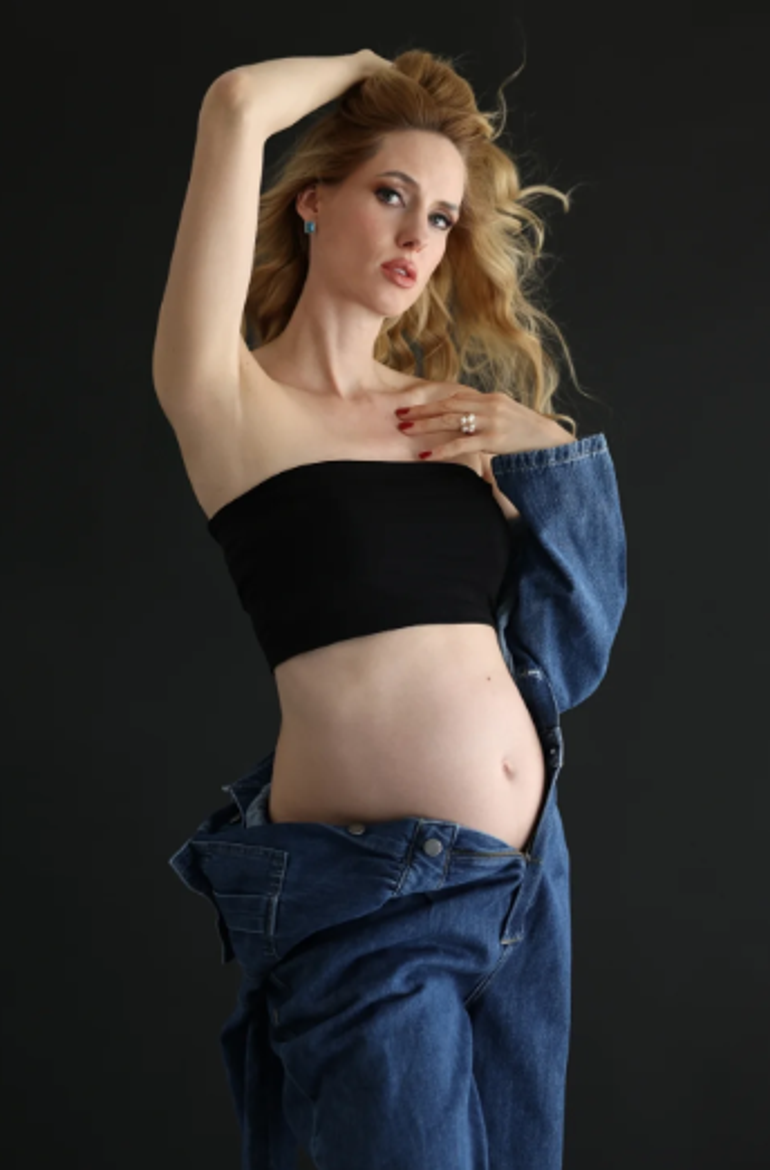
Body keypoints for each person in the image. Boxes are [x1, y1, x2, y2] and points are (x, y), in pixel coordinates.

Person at [155, 48, 627, 1170]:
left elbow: (572, 649)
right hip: (369, 895)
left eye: (442, 217)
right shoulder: (229, 399)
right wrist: (369, 69)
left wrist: (549, 453)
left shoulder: (451, 420)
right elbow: (234, 105)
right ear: (314, 201)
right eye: (391, 194)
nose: (419, 235)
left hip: (523, 887)